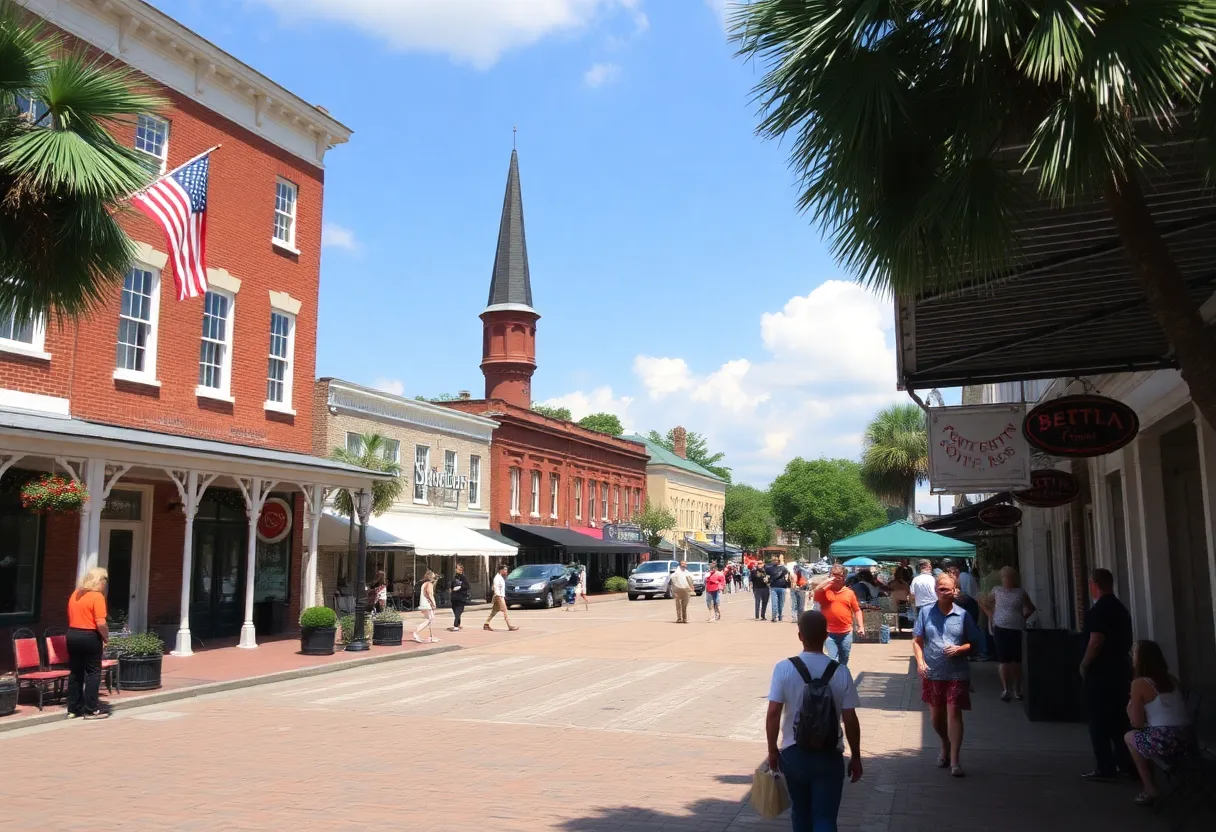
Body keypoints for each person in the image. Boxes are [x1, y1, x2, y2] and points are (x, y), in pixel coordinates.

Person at [766, 610, 863, 832]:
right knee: (825, 817)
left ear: (800, 636)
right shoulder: (841, 672)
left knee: (800, 814)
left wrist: (773, 750)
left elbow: (773, 713)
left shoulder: (784, 668)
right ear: (826, 635)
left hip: (794, 753)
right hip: (830, 754)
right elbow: (850, 719)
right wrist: (855, 756)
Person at [912, 573, 982, 777]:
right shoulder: (925, 612)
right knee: (935, 718)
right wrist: (920, 662)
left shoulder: (963, 615)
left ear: (955, 591)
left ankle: (955, 760)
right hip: (932, 672)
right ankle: (944, 743)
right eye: (939, 588)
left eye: (946, 589)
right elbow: (917, 640)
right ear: (935, 591)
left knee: (954, 712)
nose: (942, 592)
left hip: (957, 672)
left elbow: (976, 642)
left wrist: (961, 649)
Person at [1123, 640, 1195, 807]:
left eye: (1134, 653)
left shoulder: (1139, 684)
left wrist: (1129, 709)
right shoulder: (1172, 680)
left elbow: (1137, 723)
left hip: (1165, 741)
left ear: (1141, 659)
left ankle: (1149, 787)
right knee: (1145, 738)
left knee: (1130, 737)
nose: (1132, 657)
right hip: (1188, 740)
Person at [1081, 568, 1135, 782]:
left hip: (1101, 674)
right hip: (1120, 671)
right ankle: (1125, 763)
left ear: (1094, 584)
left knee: (1098, 721)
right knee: (1119, 720)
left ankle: (1105, 766)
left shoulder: (1098, 611)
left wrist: (1084, 664)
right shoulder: (1121, 609)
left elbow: (1095, 641)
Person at [979, 566, 1036, 701]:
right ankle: (1006, 689)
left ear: (1014, 579)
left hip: (1016, 628)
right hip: (1000, 627)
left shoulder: (1020, 593)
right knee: (1003, 659)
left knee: (1016, 659)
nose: (1006, 581)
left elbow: (1031, 608)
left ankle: (1017, 688)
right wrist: (991, 615)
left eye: (1009, 578)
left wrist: (1023, 618)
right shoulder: (997, 591)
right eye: (1004, 579)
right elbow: (983, 602)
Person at [66, 567, 111, 720]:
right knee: (93, 672)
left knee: (75, 672)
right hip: (89, 635)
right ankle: (91, 709)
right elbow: (101, 623)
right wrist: (105, 637)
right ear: (100, 581)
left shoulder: (75, 594)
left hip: (72, 634)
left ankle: (73, 708)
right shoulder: (96, 597)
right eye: (104, 580)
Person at [813, 565, 865, 666]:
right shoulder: (825, 590)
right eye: (833, 575)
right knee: (832, 660)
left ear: (844, 578)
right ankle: (833, 679)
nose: (835, 578)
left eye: (838, 576)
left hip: (846, 633)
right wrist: (828, 581)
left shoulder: (849, 593)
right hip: (828, 633)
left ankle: (842, 679)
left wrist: (861, 626)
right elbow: (817, 590)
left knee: (844, 660)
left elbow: (857, 610)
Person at [484, 564, 519, 632]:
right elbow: (496, 588)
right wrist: (499, 597)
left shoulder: (501, 577)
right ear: (501, 570)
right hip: (499, 596)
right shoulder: (497, 578)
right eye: (505, 570)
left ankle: (486, 624)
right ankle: (510, 626)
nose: (506, 571)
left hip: (500, 596)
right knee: (505, 611)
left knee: (494, 611)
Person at [411, 570, 439, 643]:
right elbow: (430, 594)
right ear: (430, 577)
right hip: (427, 604)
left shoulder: (424, 584)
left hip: (424, 603)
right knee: (429, 620)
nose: (434, 577)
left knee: (430, 619)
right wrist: (434, 603)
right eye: (433, 576)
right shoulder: (429, 584)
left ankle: (431, 636)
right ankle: (416, 633)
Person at [767, 555, 791, 623]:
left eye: (776, 560)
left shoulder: (784, 568)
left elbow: (788, 576)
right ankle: (774, 617)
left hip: (782, 587)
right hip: (773, 587)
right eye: (773, 560)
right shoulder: (769, 568)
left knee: (781, 604)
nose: (775, 561)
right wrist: (767, 581)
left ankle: (780, 616)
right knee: (774, 603)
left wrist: (789, 583)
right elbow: (766, 575)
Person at [448, 562, 470, 632]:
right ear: (456, 570)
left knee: (458, 611)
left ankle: (455, 625)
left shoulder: (464, 578)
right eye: (458, 569)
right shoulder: (454, 577)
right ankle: (458, 623)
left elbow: (467, 586)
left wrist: (460, 587)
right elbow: (451, 586)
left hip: (461, 597)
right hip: (454, 597)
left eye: (460, 569)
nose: (459, 571)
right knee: (455, 611)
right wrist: (451, 590)